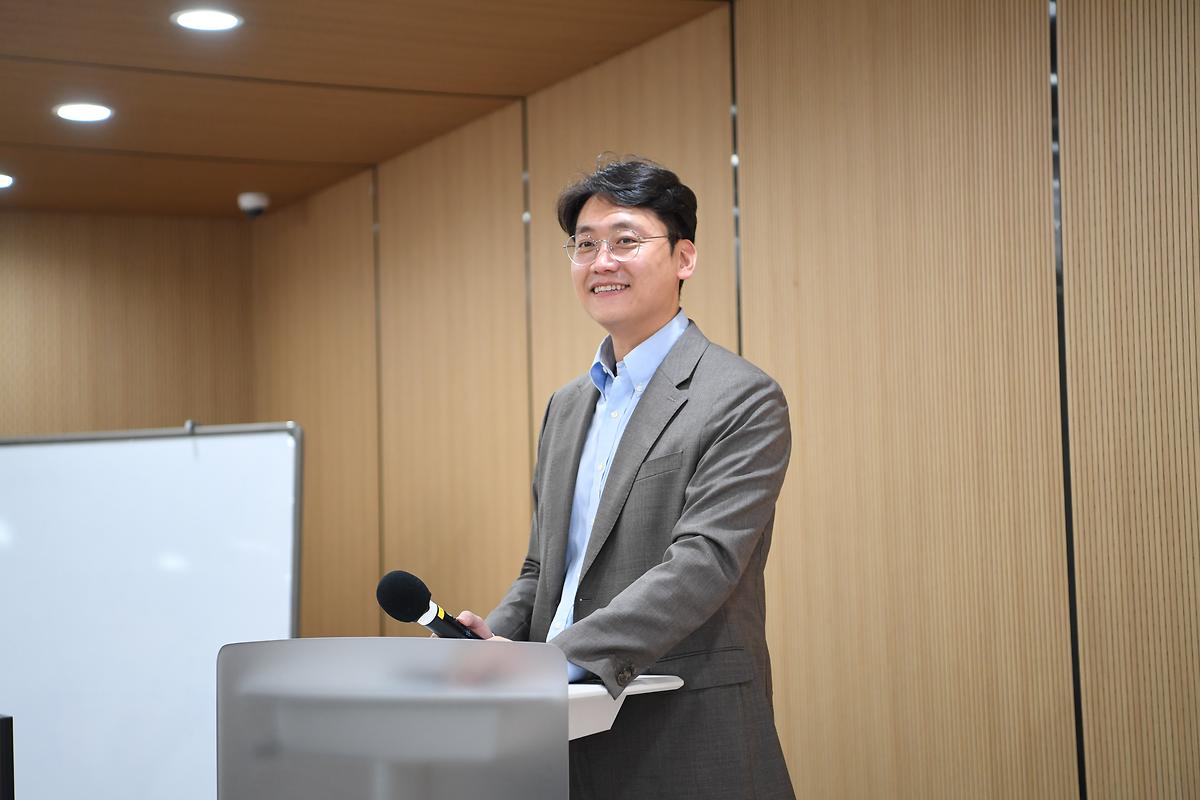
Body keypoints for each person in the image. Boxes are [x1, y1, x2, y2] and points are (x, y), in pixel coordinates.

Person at [456, 159, 795, 799]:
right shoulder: (566, 407)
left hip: (680, 729)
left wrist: (552, 661)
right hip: (557, 737)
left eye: (625, 240)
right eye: (585, 245)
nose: (601, 261)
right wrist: (496, 644)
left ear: (684, 258)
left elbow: (703, 564)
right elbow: (544, 568)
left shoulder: (741, 397)